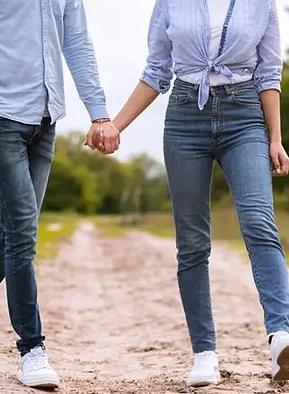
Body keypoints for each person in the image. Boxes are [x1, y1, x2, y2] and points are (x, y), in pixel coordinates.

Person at [86, 0, 289, 387]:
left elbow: (268, 73)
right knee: (192, 242)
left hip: (244, 115)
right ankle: (204, 353)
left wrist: (275, 138)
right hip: (184, 118)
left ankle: (282, 336)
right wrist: (116, 126)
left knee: (260, 223)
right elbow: (157, 71)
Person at [0, 0, 120, 389]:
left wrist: (99, 114)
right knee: (23, 232)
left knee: (15, 232)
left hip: (45, 119)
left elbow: (77, 44)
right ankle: (32, 350)